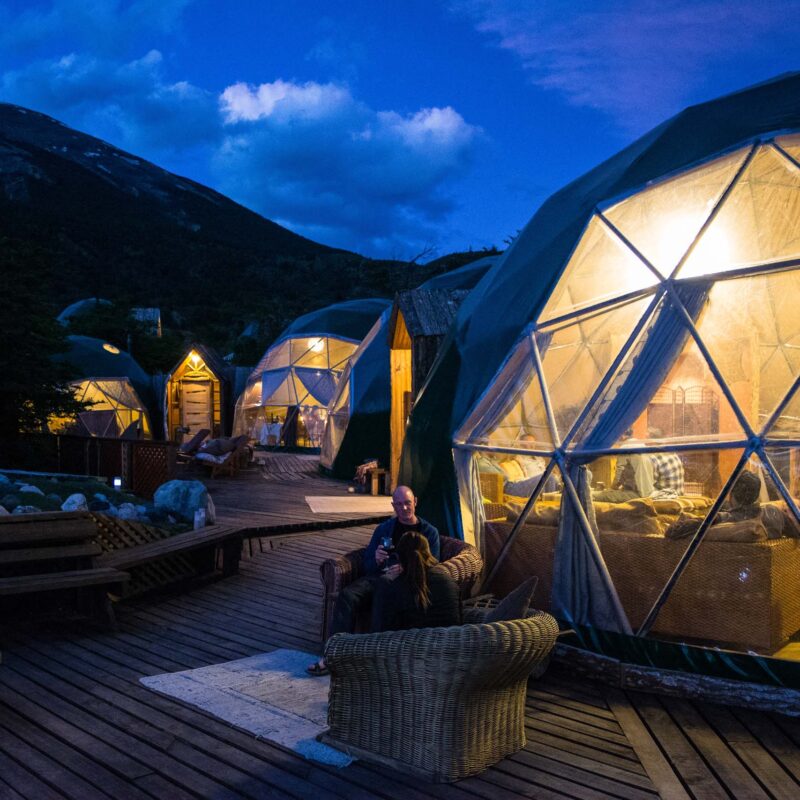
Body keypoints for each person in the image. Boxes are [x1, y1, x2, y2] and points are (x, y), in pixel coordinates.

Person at [307, 485, 439, 675]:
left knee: (382, 600)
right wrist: (376, 559)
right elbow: (366, 564)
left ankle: (371, 660)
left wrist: (407, 567)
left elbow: (434, 565)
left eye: (407, 503)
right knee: (347, 596)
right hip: (379, 575)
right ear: (393, 505)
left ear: (415, 502)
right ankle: (332, 656)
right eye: (399, 504)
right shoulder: (384, 529)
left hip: (408, 581)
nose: (403, 508)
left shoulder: (429, 532)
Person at [370, 531, 460, 633]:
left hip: (409, 647)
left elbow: (380, 631)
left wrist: (387, 582)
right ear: (429, 553)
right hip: (452, 644)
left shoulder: (394, 587)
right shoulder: (449, 581)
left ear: (399, 556)